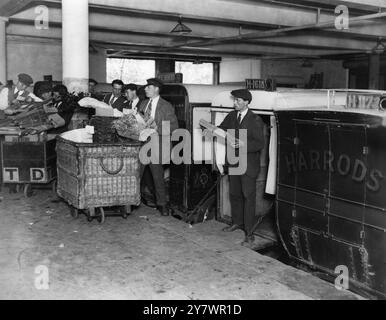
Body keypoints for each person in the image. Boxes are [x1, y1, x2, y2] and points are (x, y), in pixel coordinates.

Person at [212, 89, 265, 249]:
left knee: (248, 197)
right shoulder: (231, 116)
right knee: (235, 194)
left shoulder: (255, 120)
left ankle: (249, 233)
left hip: (248, 166)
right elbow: (221, 128)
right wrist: (213, 130)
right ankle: (237, 222)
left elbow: (259, 143)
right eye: (234, 100)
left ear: (247, 102)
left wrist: (243, 145)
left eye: (238, 101)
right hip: (234, 163)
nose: (234, 103)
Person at [138, 78, 178, 216]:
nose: (145, 89)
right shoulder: (143, 104)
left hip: (157, 144)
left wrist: (157, 127)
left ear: (156, 89)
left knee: (157, 176)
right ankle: (132, 201)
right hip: (143, 144)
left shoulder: (166, 106)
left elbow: (174, 127)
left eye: (148, 87)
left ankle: (162, 205)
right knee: (136, 174)